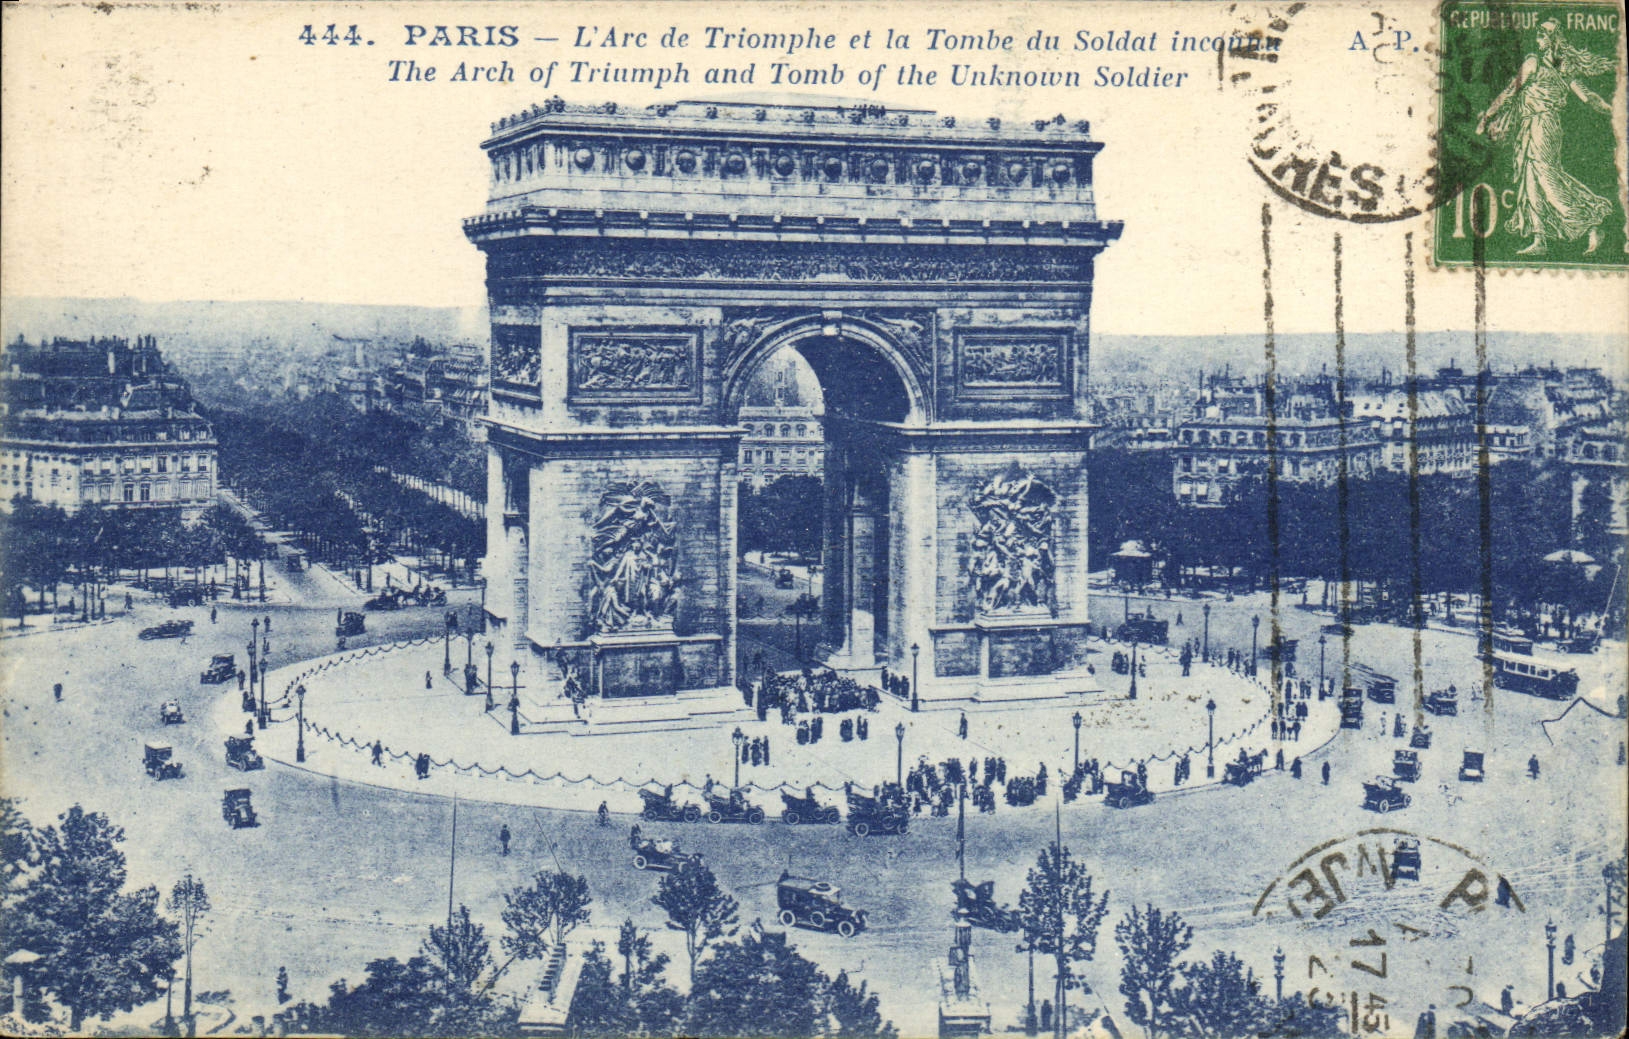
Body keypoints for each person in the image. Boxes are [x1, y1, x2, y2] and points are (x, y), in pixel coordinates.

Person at [1476, 18, 1616, 256]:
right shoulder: (1561, 67)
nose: (1538, 39)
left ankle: (1591, 220)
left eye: (1542, 35)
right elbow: (1588, 97)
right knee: (1531, 179)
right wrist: (1610, 109)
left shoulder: (1535, 63)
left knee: (1547, 177)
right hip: (1536, 125)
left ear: (1552, 39)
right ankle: (1540, 239)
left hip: (1542, 125)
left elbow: (1510, 92)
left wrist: (1487, 116)